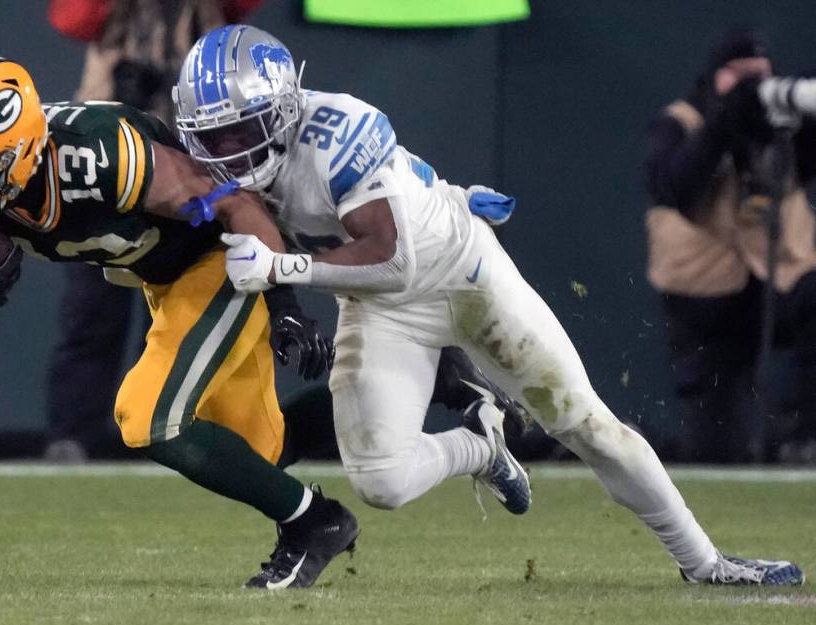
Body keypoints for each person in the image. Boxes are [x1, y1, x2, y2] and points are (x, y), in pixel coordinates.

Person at [173, 25, 805, 585]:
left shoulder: (338, 131)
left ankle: (706, 562)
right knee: (380, 482)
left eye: (238, 130)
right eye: (211, 136)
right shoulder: (221, 168)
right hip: (381, 305)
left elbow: (395, 258)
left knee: (587, 424)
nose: (226, 151)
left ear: (282, 110)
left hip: (459, 273)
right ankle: (478, 444)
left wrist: (285, 268)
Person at [0, 56, 354, 589]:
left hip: (219, 264)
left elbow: (236, 202)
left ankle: (314, 523)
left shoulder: (101, 155)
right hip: (162, 282)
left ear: (22, 154)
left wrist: (282, 300)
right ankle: (405, 384)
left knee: (149, 416)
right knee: (258, 454)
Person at [43, 0, 239, 460]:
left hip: (185, 171)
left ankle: (167, 430)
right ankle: (73, 433)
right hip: (103, 173)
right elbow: (72, 18)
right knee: (91, 315)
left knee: (177, 315)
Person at [643, 28, 816, 464]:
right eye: (737, 76)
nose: (751, 87)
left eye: (759, 76)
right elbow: (674, 188)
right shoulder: (678, 123)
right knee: (716, 447)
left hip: (782, 276)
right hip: (704, 298)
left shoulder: (783, 128)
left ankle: (798, 434)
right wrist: (724, 124)